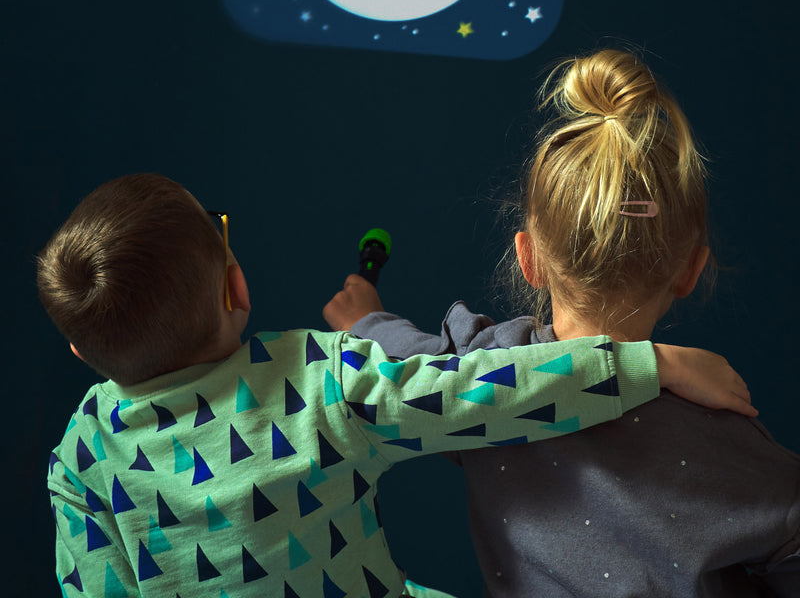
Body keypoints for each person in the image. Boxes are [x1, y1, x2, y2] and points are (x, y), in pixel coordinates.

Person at [41, 175, 753, 598]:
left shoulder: (81, 455)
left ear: (80, 351)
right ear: (238, 287)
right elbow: (484, 391)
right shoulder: (318, 379)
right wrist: (646, 364)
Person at [324, 49, 800, 597]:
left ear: (528, 259)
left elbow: (407, 367)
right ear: (690, 271)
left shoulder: (483, 375)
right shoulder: (724, 430)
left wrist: (366, 321)